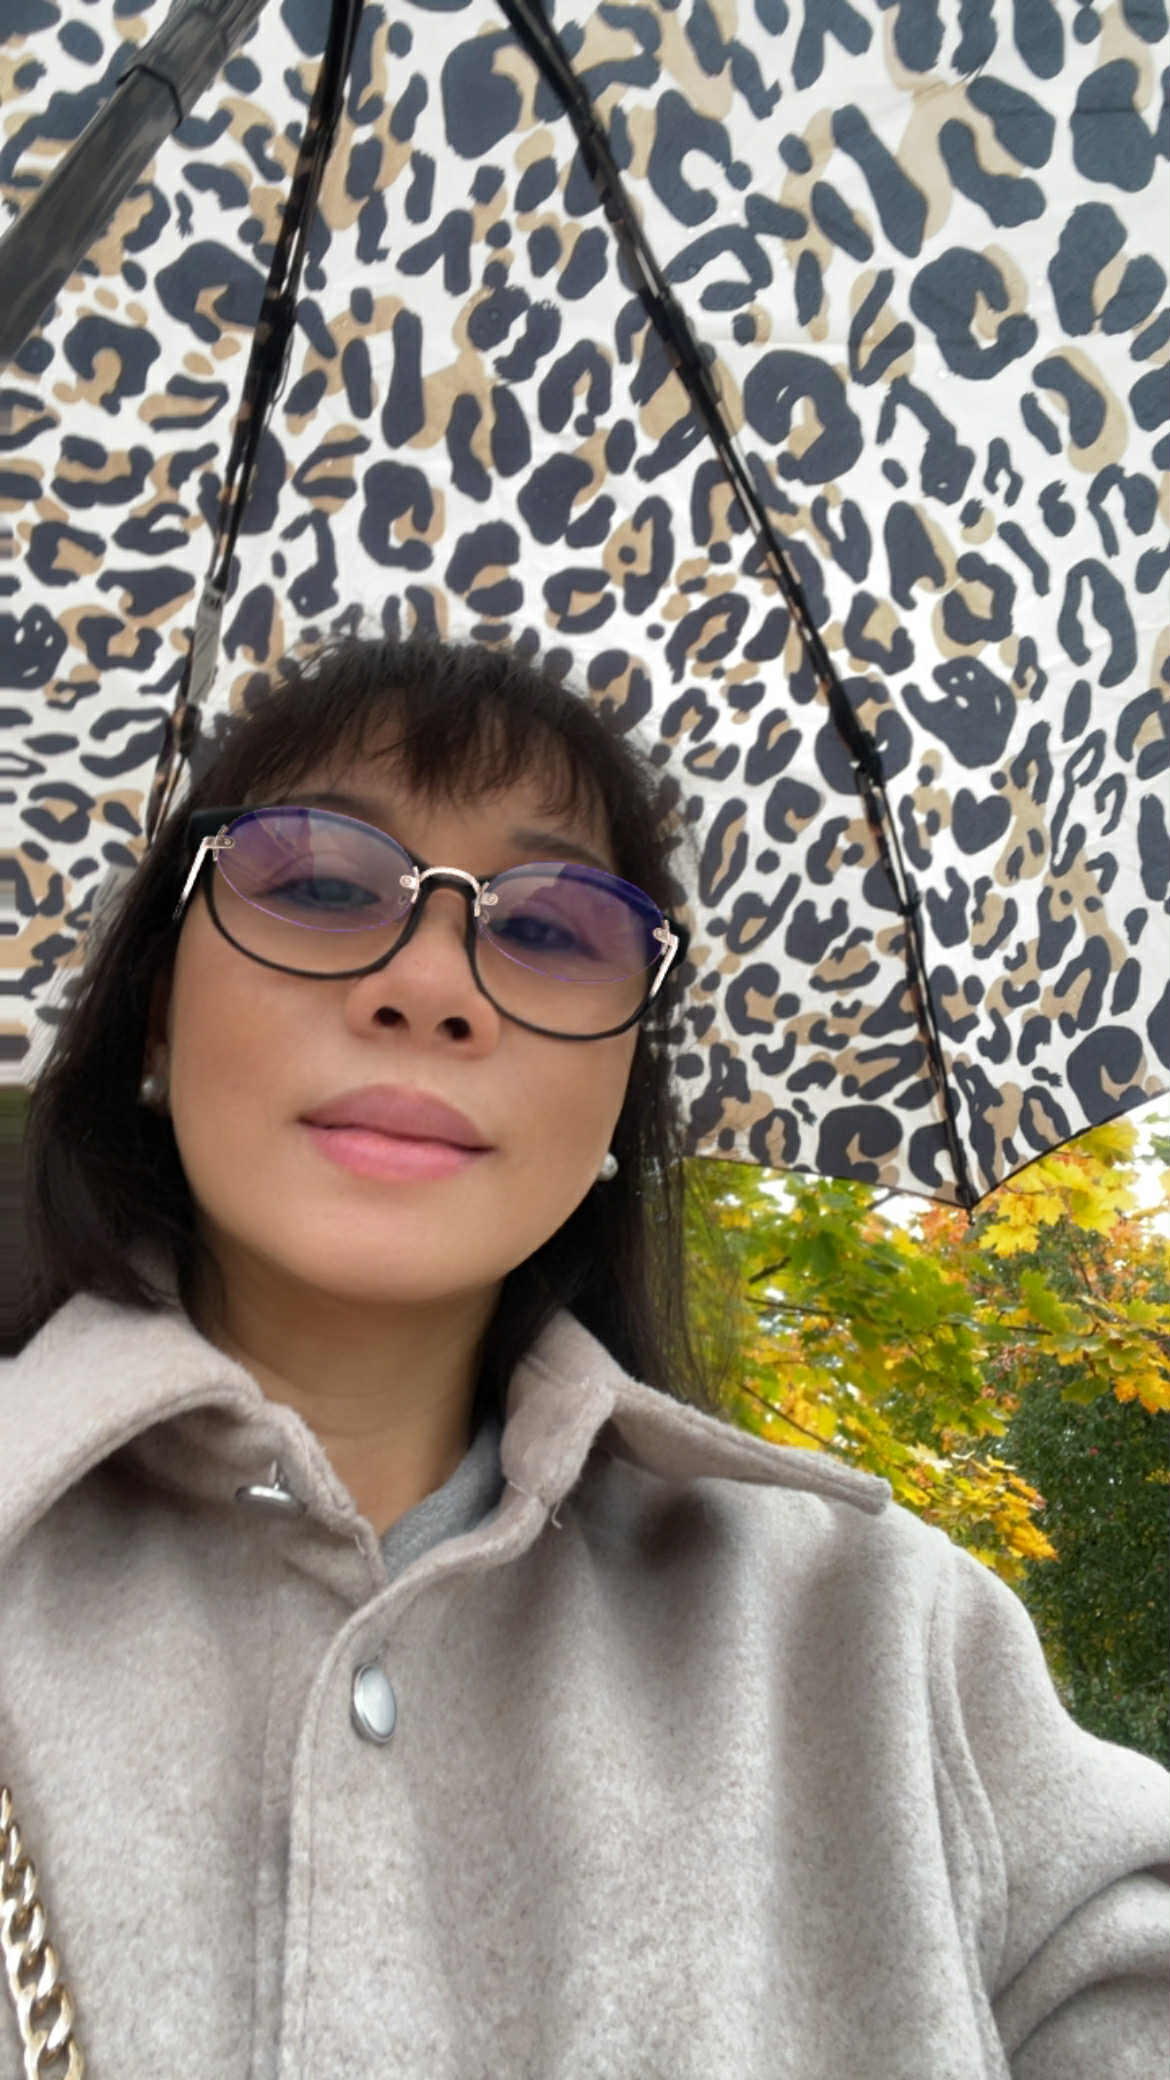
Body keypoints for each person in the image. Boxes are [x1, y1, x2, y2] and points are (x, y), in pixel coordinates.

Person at [3, 633, 1167, 2078]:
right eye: (316, 883)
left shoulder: (891, 1648)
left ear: (621, 1095)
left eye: (551, 931)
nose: (431, 986)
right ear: (155, 1022)